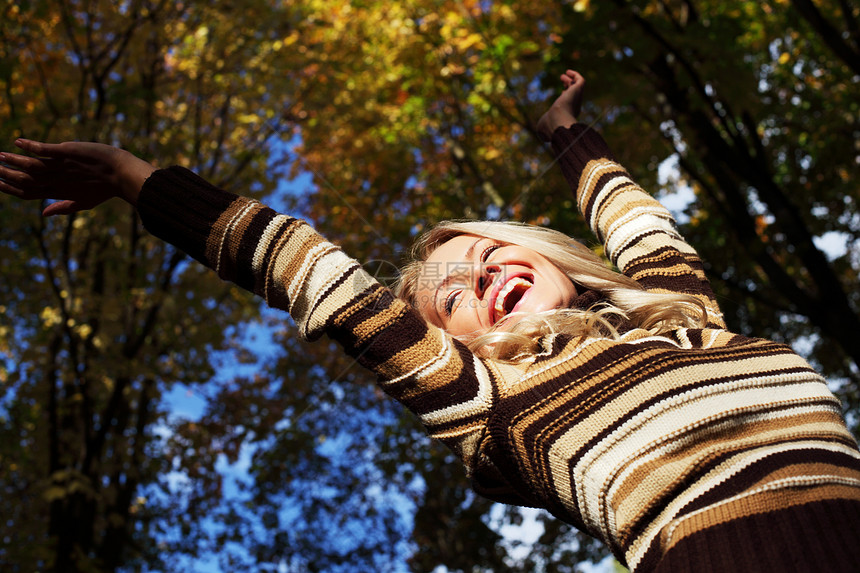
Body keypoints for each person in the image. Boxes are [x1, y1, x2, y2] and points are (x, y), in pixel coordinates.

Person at [2, 70, 859, 572]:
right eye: (451, 296)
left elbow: (634, 217)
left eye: (489, 252)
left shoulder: (683, 313)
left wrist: (565, 132)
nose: (480, 276)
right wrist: (133, 177)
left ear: (549, 255)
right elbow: (318, 275)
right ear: (453, 345)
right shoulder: (493, 401)